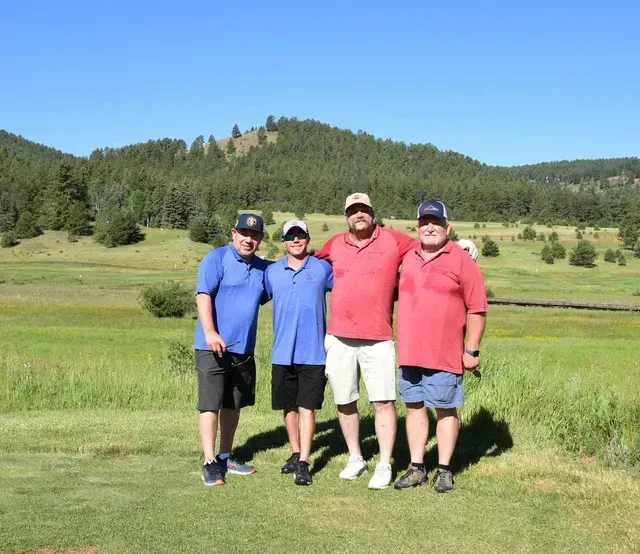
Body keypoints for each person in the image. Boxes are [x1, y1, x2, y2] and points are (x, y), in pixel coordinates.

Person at [315, 193, 478, 489]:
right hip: (338, 336)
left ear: (373, 213)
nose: (358, 215)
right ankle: (355, 458)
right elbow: (311, 261)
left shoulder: (395, 240)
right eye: (353, 211)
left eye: (363, 210)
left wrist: (463, 245)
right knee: (344, 400)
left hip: (378, 337)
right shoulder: (335, 243)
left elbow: (432, 244)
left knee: (384, 401)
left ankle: (385, 463)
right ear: (346, 217)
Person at [393, 200, 487, 493]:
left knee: (445, 410)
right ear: (417, 227)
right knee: (414, 409)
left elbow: (478, 308)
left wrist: (471, 350)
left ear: (447, 227)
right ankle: (417, 467)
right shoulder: (407, 255)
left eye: (435, 222)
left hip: (444, 353)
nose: (429, 227)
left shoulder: (461, 259)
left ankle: (444, 470)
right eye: (424, 222)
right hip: (409, 353)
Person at [194, 213, 268, 486]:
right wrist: (210, 331)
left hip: (242, 349)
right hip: (211, 346)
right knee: (210, 404)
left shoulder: (263, 268)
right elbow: (203, 295)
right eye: (244, 234)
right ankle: (209, 462)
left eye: (255, 236)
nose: (249, 239)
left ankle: (226, 456)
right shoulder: (216, 258)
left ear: (259, 239)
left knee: (233, 404)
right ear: (234, 233)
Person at [264, 220, 333, 486]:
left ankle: (304, 462)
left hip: (313, 352)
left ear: (307, 238)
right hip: (282, 352)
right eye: (290, 236)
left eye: (300, 235)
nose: (295, 240)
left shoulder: (322, 269)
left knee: (307, 408)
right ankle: (295, 452)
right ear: (283, 241)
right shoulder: (272, 272)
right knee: (288, 406)